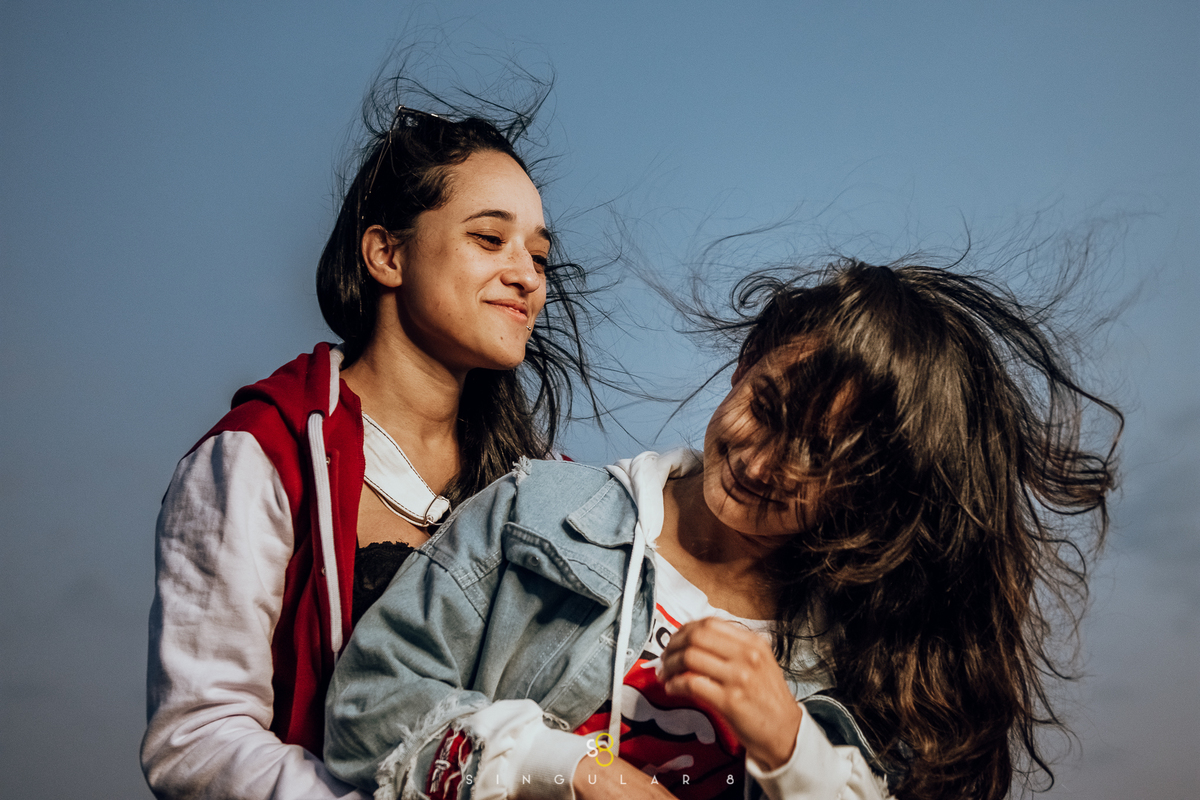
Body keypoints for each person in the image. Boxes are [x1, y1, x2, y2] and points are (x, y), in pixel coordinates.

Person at [323, 260, 1119, 800]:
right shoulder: (536, 513)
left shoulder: (855, 653)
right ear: (746, 364)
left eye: (816, 454)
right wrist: (574, 775)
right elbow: (364, 710)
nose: (763, 461)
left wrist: (788, 741)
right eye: (765, 407)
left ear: (867, 494)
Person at [141, 85, 598, 800]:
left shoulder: (549, 494)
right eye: (489, 239)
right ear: (387, 254)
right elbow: (196, 738)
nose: (527, 277)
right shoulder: (262, 453)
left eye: (538, 255)